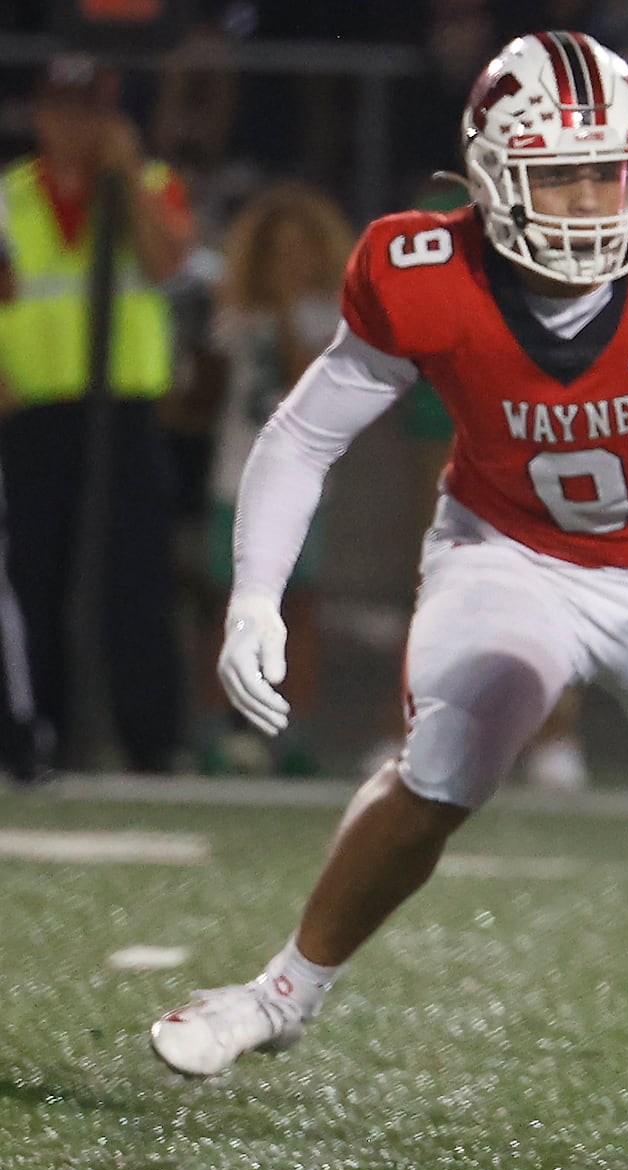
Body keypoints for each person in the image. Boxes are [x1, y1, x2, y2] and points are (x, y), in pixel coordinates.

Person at [148, 31, 628, 1168]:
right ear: (490, 173)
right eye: (557, 170)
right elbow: (305, 432)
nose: (588, 198)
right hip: (506, 552)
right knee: (451, 754)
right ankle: (282, 993)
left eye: (608, 168)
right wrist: (254, 593)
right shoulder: (422, 270)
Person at [0, 54, 193, 772]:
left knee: (137, 578)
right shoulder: (8, 196)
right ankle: (34, 731)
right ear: (40, 115)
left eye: (91, 110)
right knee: (33, 577)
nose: (74, 125)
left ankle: (153, 742)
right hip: (34, 408)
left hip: (126, 406)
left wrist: (123, 178)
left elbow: (166, 261)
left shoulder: (150, 186)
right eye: (62, 108)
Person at [200, 181, 353, 776]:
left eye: (300, 251)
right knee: (227, 607)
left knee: (301, 607)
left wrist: (290, 311)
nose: (288, 264)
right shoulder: (236, 314)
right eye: (277, 251)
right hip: (234, 478)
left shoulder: (331, 317)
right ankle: (221, 731)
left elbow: (304, 388)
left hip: (299, 487)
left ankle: (294, 733)